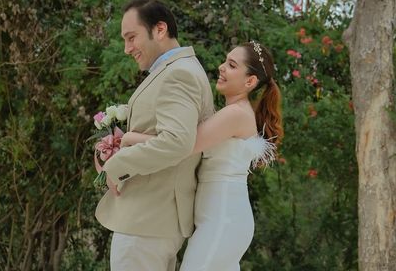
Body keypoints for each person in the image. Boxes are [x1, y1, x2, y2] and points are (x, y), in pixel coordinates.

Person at [121, 40, 283, 270]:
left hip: (223, 219)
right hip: (216, 218)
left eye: (232, 65)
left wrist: (130, 138)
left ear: (250, 81)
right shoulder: (228, 113)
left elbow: (182, 145)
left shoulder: (236, 115)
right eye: (225, 61)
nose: (221, 67)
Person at [95, 0, 215, 271]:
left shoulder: (178, 74)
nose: (127, 49)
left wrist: (116, 166)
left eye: (131, 37)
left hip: (148, 223)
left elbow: (176, 142)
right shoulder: (173, 71)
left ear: (160, 29)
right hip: (150, 222)